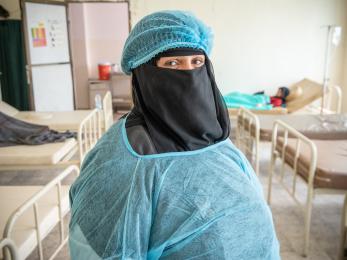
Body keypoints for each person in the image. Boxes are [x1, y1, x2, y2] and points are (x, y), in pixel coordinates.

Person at [69, 10, 280, 259]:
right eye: (172, 63)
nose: (188, 74)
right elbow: (98, 249)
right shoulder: (124, 157)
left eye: (197, 62)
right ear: (144, 72)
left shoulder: (214, 134)